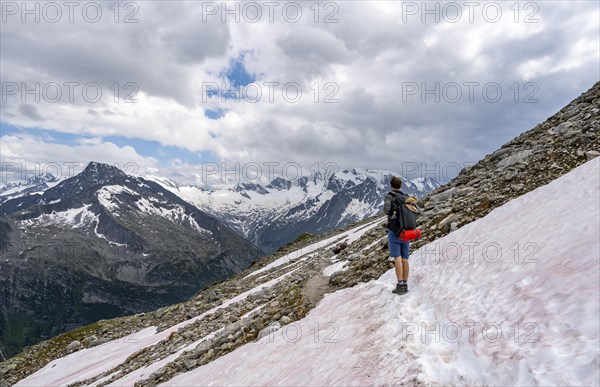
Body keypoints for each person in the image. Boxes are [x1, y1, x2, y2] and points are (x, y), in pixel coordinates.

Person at [383, 176, 410, 295]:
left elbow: (385, 210)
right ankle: (405, 284)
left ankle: (399, 285)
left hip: (394, 231)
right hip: (407, 231)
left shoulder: (390, 196)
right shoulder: (406, 197)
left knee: (397, 258)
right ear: (400, 185)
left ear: (391, 185)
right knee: (405, 259)